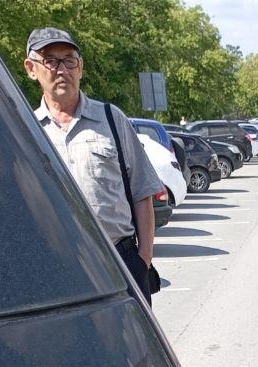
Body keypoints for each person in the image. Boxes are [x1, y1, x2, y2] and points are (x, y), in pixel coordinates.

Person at [25, 28, 161, 304]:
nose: (62, 69)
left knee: (133, 347)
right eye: (51, 60)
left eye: (69, 59)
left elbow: (142, 191)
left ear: (80, 67)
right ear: (31, 69)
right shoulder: (25, 128)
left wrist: (143, 258)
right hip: (57, 268)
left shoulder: (112, 119)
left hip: (120, 262)